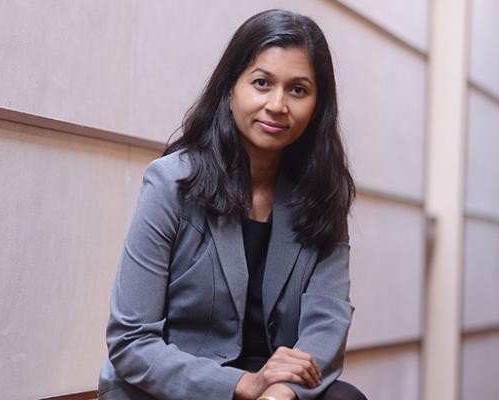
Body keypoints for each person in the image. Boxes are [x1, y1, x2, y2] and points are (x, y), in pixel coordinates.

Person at [98, 9, 366, 400]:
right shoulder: (171, 183)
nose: (277, 104)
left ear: (318, 104)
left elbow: (326, 324)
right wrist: (243, 384)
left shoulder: (322, 194)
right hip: (175, 386)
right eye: (261, 83)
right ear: (230, 88)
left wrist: (281, 392)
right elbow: (131, 341)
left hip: (270, 388)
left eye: (298, 89)